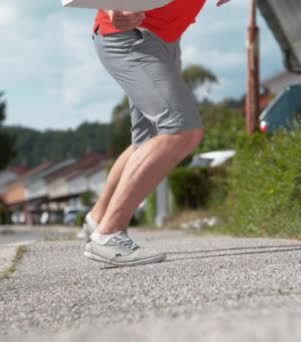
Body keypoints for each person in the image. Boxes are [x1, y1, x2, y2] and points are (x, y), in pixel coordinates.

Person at [81, 0, 231, 267]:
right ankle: (109, 234)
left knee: (149, 143)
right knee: (181, 130)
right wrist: (109, 5)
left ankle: (97, 220)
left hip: (163, 40)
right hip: (130, 36)